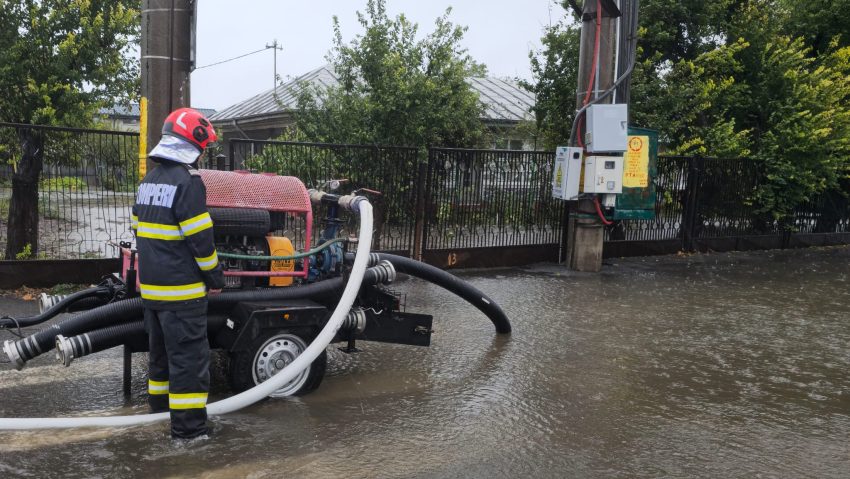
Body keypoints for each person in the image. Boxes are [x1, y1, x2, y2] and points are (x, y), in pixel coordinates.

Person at [131, 107, 225, 439]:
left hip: (153, 294)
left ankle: (159, 418)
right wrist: (215, 277)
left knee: (161, 362)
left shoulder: (148, 181)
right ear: (194, 143)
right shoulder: (188, 183)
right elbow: (201, 241)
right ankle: (190, 433)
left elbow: (140, 232)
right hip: (182, 296)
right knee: (188, 365)